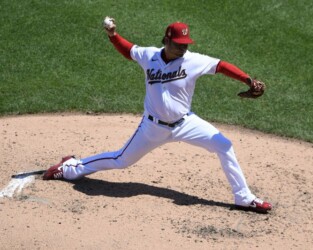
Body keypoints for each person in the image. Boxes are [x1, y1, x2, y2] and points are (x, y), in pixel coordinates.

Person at [43, 17, 272, 213]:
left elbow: (221, 66)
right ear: (166, 40)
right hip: (153, 128)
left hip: (186, 123)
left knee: (223, 145)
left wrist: (248, 80)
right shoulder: (149, 56)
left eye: (186, 43)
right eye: (178, 43)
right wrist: (113, 35)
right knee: (121, 160)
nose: (183, 47)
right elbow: (129, 50)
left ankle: (243, 197)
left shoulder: (193, 60)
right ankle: (71, 167)